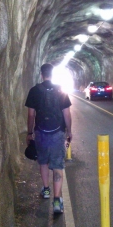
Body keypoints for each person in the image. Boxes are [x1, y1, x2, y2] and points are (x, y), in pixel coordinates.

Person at [25, 63, 72, 214]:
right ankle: (57, 201)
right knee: (58, 165)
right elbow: (67, 114)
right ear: (52, 74)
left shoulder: (34, 90)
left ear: (41, 74)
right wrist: (69, 131)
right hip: (58, 132)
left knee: (43, 161)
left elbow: (31, 114)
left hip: (40, 133)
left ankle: (46, 190)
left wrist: (29, 132)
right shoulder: (60, 90)